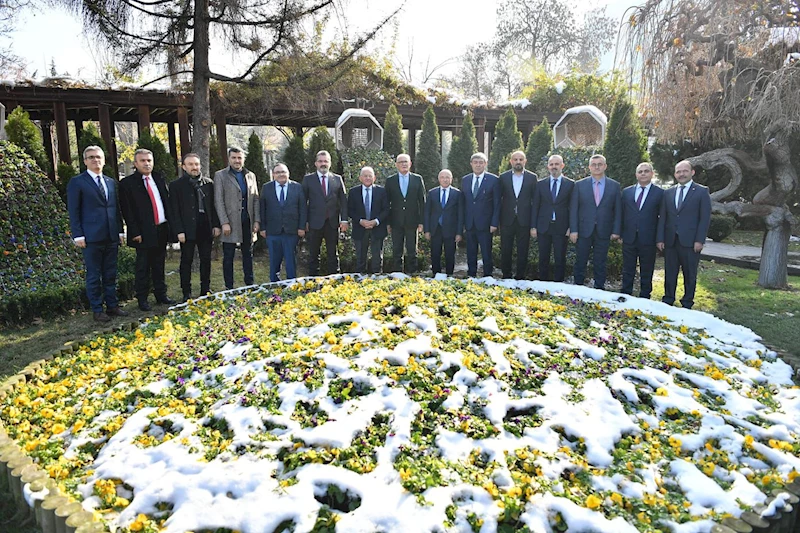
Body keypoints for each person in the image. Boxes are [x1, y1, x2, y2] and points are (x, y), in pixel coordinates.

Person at [66, 146, 128, 322]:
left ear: (104, 160)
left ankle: (113, 305)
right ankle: (97, 309)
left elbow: (116, 209)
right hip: (91, 237)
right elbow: (74, 210)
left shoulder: (110, 182)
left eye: (98, 157)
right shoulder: (77, 182)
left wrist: (120, 231)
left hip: (111, 235)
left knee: (110, 273)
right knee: (94, 275)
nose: (95, 160)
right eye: (91, 157)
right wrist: (78, 235)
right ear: (85, 161)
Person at [120, 148, 175, 311]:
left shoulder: (158, 178)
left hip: (161, 229)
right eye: (143, 161)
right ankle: (142, 299)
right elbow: (127, 211)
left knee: (159, 265)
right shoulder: (127, 184)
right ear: (136, 163)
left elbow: (165, 203)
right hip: (142, 233)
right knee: (143, 267)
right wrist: (135, 232)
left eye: (149, 160)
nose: (147, 163)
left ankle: (161, 295)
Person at [657, 160, 711, 309]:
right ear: (675, 174)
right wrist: (660, 238)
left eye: (684, 171)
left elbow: (704, 218)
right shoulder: (668, 193)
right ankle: (668, 299)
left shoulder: (701, 191)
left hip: (691, 241)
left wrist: (700, 240)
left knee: (690, 273)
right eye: (678, 172)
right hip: (670, 241)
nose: (681, 174)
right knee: (670, 272)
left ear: (692, 172)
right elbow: (663, 217)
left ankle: (687, 302)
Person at [169, 153, 221, 301]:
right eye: (191, 164)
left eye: (197, 164)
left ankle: (206, 289)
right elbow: (174, 210)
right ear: (184, 167)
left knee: (206, 260)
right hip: (187, 229)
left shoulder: (208, 183)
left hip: (205, 227)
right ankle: (186, 292)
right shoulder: (176, 186)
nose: (194, 167)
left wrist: (216, 225)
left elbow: (214, 206)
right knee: (186, 261)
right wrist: (179, 230)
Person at [569, 154, 622, 289]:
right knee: (581, 260)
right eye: (594, 164)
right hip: (583, 230)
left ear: (605, 166)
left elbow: (618, 210)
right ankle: (578, 288)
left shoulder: (614, 186)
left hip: (604, 230)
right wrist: (573, 229)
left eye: (600, 164)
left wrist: (616, 231)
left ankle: (599, 289)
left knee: (600, 262)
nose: (597, 167)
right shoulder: (579, 185)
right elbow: (574, 209)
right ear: (589, 167)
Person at [214, 147, 260, 290]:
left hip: (247, 221)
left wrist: (257, 220)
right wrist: (224, 222)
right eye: (234, 158)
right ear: (229, 159)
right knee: (228, 256)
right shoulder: (221, 175)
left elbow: (256, 199)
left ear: (243, 159)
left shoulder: (250, 175)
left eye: (239, 158)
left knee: (248, 254)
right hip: (231, 222)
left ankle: (250, 284)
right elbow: (218, 200)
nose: (237, 160)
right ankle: (229, 286)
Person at [620, 162, 664, 299]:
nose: (643, 173)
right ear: (636, 175)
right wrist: (620, 233)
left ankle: (645, 295)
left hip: (649, 238)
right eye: (640, 171)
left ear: (652, 174)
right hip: (629, 237)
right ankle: (626, 293)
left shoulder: (660, 193)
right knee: (628, 268)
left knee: (647, 269)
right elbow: (621, 214)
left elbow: (663, 218)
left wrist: (660, 238)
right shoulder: (627, 192)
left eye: (646, 171)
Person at [302, 150, 348, 276]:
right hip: (314, 223)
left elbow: (343, 201)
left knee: (333, 254)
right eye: (321, 161)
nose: (323, 164)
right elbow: (302, 202)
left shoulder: (337, 179)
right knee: (313, 254)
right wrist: (304, 222)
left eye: (326, 161)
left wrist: (344, 220)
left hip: (332, 223)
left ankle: (335, 280)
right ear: (316, 163)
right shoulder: (308, 179)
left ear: (330, 163)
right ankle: (312, 281)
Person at [259, 163, 306, 282]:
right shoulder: (266, 187)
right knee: (274, 260)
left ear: (288, 173)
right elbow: (262, 208)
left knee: (291, 261)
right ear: (273, 175)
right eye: (278, 172)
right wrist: (262, 228)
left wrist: (301, 227)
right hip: (272, 231)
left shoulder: (297, 187)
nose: (281, 174)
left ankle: (292, 284)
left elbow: (302, 208)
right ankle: (274, 285)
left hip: (291, 231)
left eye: (283, 172)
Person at [531, 155, 574, 282]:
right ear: (548, 167)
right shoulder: (540, 184)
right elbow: (535, 207)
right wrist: (533, 226)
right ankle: (544, 282)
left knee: (560, 257)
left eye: (557, 164)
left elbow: (573, 207)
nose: (554, 167)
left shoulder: (570, 184)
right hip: (543, 226)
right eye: (551, 164)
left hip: (561, 227)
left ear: (562, 166)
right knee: (543, 257)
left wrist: (571, 227)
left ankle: (558, 282)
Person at [499, 150, 538, 279]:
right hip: (507, 220)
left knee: (523, 250)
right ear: (511, 162)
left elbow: (535, 202)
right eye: (515, 159)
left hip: (524, 220)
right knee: (505, 249)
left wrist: (533, 224)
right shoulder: (503, 177)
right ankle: (506, 275)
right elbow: (499, 199)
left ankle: (520, 276)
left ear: (525, 161)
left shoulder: (532, 178)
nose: (518, 162)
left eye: (521, 159)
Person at [385, 153, 425, 273]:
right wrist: (388, 223)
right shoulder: (390, 180)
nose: (403, 164)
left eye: (405, 162)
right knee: (397, 250)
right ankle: (398, 274)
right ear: (396, 165)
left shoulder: (417, 179)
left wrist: (422, 222)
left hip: (412, 221)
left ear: (410, 164)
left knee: (412, 250)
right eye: (401, 162)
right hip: (396, 221)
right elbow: (386, 203)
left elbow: (422, 202)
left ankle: (412, 273)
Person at [462, 152, 500, 277]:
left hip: (486, 223)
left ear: (485, 164)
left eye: (481, 162)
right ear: (471, 164)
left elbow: (497, 203)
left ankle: (488, 275)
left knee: (486, 252)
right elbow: (464, 203)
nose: (478, 165)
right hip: (469, 223)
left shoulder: (493, 180)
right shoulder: (465, 180)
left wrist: (494, 222)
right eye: (475, 162)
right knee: (470, 251)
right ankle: (471, 274)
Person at [347, 166, 389, 274]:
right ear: (360, 178)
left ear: (374, 178)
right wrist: (361, 221)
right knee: (360, 258)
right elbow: (350, 210)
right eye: (365, 176)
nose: (367, 178)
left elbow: (386, 209)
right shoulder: (353, 192)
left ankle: (377, 280)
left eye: (370, 176)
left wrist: (376, 221)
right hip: (360, 228)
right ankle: (360, 280)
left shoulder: (381, 191)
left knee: (377, 259)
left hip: (377, 228)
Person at [424, 169, 464, 276]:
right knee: (435, 253)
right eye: (442, 177)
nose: (445, 179)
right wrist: (427, 230)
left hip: (451, 229)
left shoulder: (457, 193)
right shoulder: (432, 193)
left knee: (450, 254)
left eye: (447, 177)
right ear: (439, 179)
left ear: (451, 179)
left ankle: (449, 275)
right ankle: (436, 275)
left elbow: (460, 214)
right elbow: (427, 212)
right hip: (435, 228)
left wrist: (459, 232)